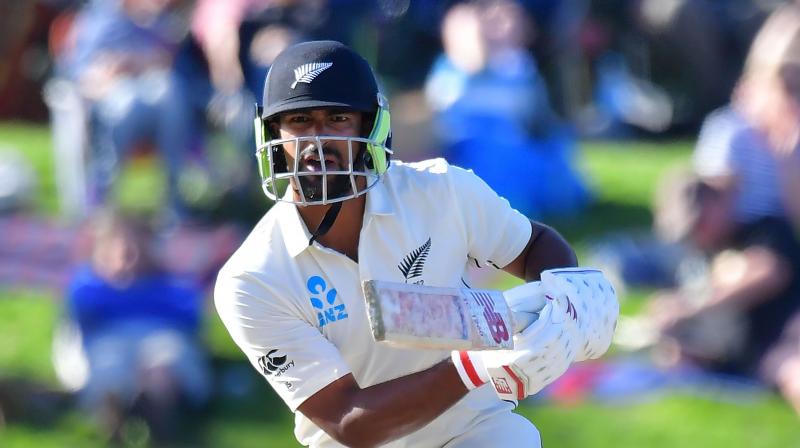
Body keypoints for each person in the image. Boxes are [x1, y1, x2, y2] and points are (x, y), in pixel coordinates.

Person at [214, 40, 618, 448]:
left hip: (472, 427)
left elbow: (533, 246)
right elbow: (349, 422)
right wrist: (477, 366)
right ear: (272, 134)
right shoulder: (252, 279)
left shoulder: (441, 190)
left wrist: (565, 295)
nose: (317, 142)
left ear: (370, 125)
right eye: (299, 120)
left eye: (337, 118)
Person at [66, 209, 210, 441]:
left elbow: (190, 319)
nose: (130, 258)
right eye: (123, 251)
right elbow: (82, 317)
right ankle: (113, 415)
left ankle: (156, 410)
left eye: (137, 250)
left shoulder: (173, 283)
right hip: (109, 338)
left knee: (165, 362)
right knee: (108, 364)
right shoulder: (90, 284)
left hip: (163, 336)